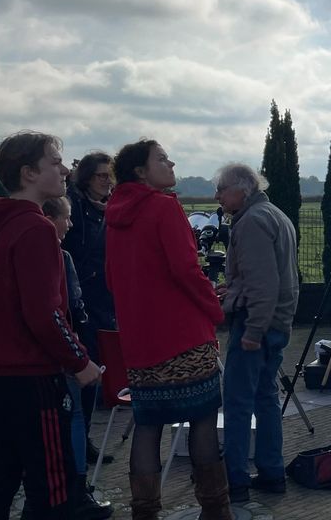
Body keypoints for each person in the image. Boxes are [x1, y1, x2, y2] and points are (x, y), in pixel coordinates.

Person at [0, 132, 101, 520]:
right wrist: (80, 361)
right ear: (28, 173)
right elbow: (44, 314)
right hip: (30, 372)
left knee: (1, 471)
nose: (64, 169)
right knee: (51, 484)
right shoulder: (36, 229)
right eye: (54, 161)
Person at [105, 140, 228, 520]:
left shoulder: (114, 214)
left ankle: (145, 512)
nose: (171, 163)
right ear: (140, 171)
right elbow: (186, 270)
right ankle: (215, 509)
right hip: (184, 335)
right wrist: (214, 308)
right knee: (203, 422)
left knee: (148, 423)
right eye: (161, 159)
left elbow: (112, 278)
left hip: (140, 340)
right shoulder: (163, 206)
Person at [215, 163, 299, 501]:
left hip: (257, 325)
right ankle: (272, 472)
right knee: (266, 400)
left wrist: (252, 331)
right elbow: (271, 277)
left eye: (221, 188)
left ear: (243, 188)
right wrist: (232, 291)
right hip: (276, 323)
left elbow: (264, 285)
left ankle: (235, 480)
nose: (217, 196)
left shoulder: (250, 222)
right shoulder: (274, 214)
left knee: (237, 403)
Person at [42, 196, 113, 519]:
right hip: (68, 351)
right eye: (65, 218)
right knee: (76, 418)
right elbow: (72, 305)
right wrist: (81, 355)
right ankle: (79, 489)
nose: (69, 225)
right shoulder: (60, 256)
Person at [61, 151, 116, 465]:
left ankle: (83, 440)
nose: (107, 181)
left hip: (103, 298)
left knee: (95, 372)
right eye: (100, 175)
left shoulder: (105, 210)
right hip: (81, 302)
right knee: (82, 372)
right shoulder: (76, 208)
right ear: (86, 179)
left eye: (110, 175)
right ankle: (75, 447)